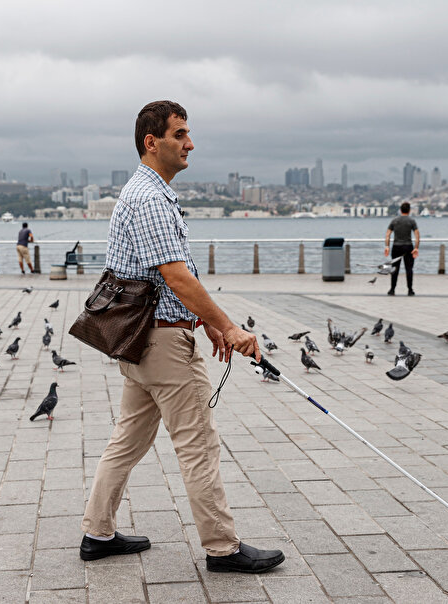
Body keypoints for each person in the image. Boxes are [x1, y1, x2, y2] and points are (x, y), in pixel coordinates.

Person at [80, 100, 285, 574]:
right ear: (152, 142)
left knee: (127, 440)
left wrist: (207, 321)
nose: (190, 143)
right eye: (180, 134)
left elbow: (168, 277)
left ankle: (98, 533)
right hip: (163, 345)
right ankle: (222, 548)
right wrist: (229, 326)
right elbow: (175, 276)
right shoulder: (150, 199)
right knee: (198, 444)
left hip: (140, 340)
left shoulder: (144, 193)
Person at [384, 201, 420, 296]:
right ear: (409, 210)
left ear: (400, 210)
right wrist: (416, 248)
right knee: (409, 269)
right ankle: (410, 290)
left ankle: (392, 289)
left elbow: (388, 234)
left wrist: (387, 246)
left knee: (395, 269)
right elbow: (417, 235)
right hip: (408, 246)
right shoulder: (412, 221)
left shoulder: (394, 221)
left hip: (396, 247)